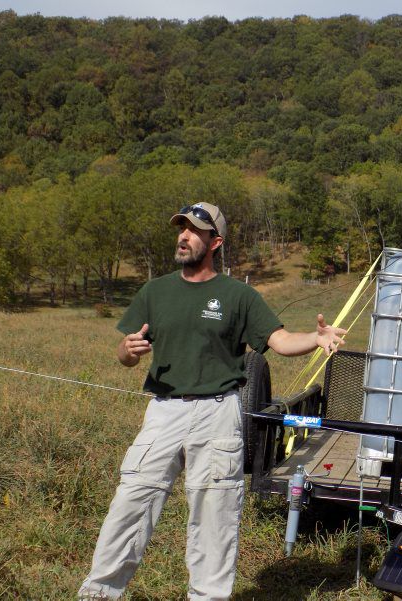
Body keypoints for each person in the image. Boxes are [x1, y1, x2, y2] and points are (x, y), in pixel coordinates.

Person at [78, 202, 346, 600]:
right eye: (181, 229)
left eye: (194, 230)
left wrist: (315, 338)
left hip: (219, 413)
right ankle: (97, 594)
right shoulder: (156, 291)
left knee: (215, 517)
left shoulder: (238, 295)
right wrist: (128, 349)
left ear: (214, 241)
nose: (183, 236)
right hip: (163, 411)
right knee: (130, 506)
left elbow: (279, 340)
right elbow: (124, 354)